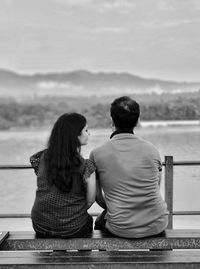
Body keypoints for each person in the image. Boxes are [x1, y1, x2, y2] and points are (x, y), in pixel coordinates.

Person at [90, 96, 168, 238]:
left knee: (99, 222)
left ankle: (108, 259)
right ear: (137, 121)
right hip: (157, 222)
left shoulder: (97, 154)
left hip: (121, 226)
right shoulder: (152, 150)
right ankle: (160, 256)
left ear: (112, 120)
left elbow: (97, 196)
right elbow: (155, 187)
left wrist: (115, 207)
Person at [30, 113, 96, 238]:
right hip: (73, 228)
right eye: (86, 130)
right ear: (75, 135)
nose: (89, 134)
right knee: (88, 221)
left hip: (40, 225)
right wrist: (70, 214)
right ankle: (84, 256)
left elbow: (44, 183)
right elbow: (91, 199)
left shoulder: (42, 158)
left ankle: (57, 253)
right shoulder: (86, 166)